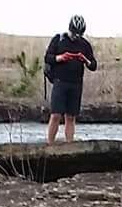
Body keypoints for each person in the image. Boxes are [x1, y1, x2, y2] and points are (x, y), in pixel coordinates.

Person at [42, 15, 98, 144]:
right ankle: (49, 144)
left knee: (71, 117)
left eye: (79, 34)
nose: (76, 37)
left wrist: (86, 60)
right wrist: (60, 58)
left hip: (76, 84)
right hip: (60, 82)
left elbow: (93, 66)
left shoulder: (84, 44)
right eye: (74, 33)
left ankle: (69, 145)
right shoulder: (58, 39)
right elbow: (48, 57)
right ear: (69, 29)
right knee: (56, 115)